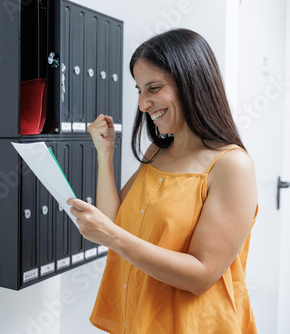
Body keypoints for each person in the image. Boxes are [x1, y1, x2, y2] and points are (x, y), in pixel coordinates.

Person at [67, 28, 258, 333]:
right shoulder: (159, 150)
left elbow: (201, 275)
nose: (143, 104)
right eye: (139, 90)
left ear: (192, 83)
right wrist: (105, 155)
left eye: (153, 88)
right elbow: (114, 221)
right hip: (141, 321)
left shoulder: (231, 166)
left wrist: (112, 237)